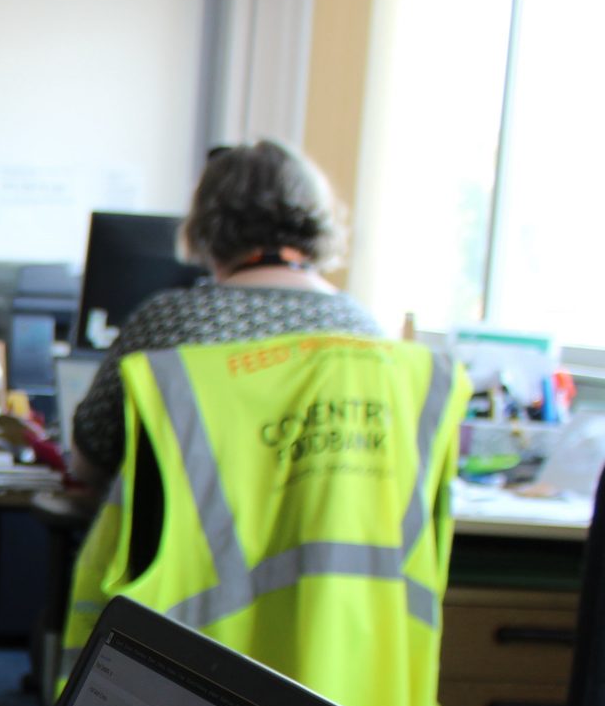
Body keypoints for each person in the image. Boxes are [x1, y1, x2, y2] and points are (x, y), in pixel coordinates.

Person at [65, 140, 387, 486]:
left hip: (194, 541)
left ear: (207, 223)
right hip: (332, 540)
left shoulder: (171, 323)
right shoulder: (364, 331)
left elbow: (90, 463)